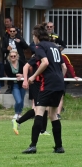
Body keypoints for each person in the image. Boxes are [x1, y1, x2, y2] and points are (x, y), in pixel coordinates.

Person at [22, 22, 67, 154]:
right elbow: (63, 67)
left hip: (48, 84)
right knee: (53, 115)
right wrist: (58, 78)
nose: (33, 38)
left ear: (36, 36)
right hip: (59, 83)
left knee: (39, 111)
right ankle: (59, 147)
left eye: (33, 36)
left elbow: (45, 62)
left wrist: (33, 76)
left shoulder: (40, 46)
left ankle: (32, 146)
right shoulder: (54, 46)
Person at [12, 56, 50, 136]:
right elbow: (26, 66)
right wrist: (25, 79)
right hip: (35, 85)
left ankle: (42, 130)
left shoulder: (47, 57)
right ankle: (17, 121)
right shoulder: (37, 57)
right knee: (38, 108)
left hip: (44, 84)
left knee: (45, 107)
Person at [56, 54, 80, 119]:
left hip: (61, 79)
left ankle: (58, 113)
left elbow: (68, 66)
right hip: (51, 79)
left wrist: (74, 75)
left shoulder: (63, 56)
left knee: (60, 97)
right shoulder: (46, 54)